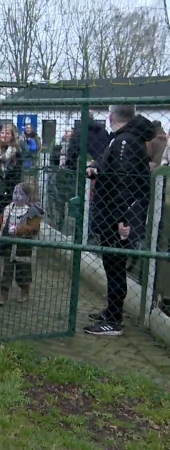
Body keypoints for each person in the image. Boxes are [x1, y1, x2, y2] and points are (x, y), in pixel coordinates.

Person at [85, 105, 154, 336]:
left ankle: (113, 321)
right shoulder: (123, 140)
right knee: (112, 265)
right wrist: (97, 170)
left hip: (117, 217)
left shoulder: (126, 141)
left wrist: (124, 219)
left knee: (115, 266)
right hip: (113, 214)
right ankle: (112, 310)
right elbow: (117, 174)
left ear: (112, 116)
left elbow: (126, 184)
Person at [0, 182, 43, 306]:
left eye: (19, 193)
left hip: (23, 247)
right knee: (7, 271)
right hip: (9, 245)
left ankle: (24, 291)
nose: (16, 196)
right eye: (15, 192)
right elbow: (1, 220)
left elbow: (34, 228)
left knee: (23, 271)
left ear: (26, 196)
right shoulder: (9, 208)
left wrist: (20, 229)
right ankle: (4, 294)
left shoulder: (32, 211)